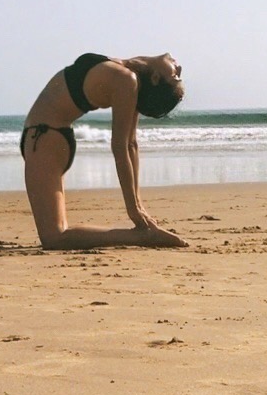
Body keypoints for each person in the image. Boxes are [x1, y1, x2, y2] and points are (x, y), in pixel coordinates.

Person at [20, 52, 189, 250]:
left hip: (45, 137)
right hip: (50, 137)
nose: (179, 69)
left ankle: (141, 236)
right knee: (56, 234)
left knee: (54, 238)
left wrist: (134, 209)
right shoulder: (130, 77)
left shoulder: (127, 80)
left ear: (156, 77)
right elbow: (130, 145)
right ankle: (144, 234)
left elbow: (123, 146)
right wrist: (137, 205)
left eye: (175, 76)